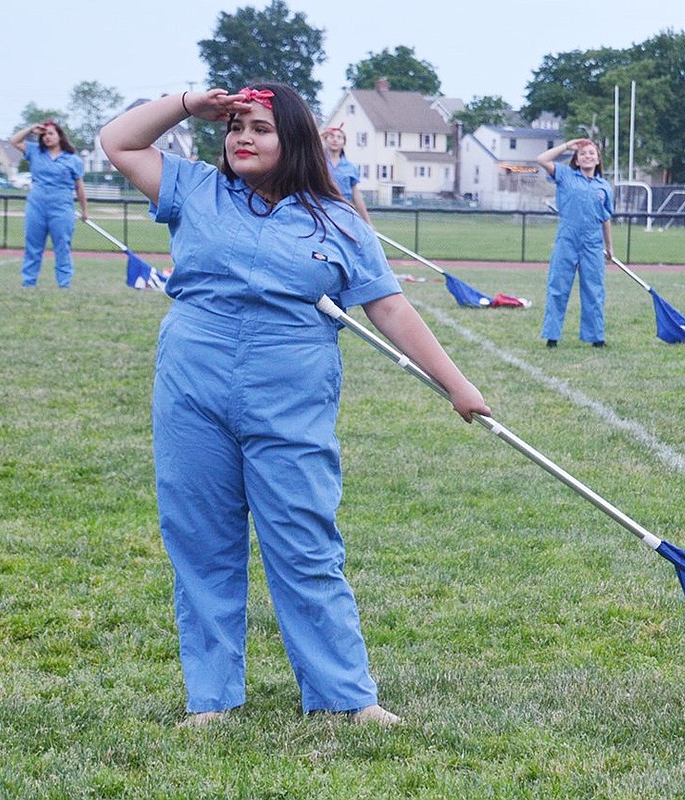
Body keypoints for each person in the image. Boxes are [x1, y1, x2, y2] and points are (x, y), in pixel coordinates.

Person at [100, 82, 490, 728]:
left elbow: (389, 307)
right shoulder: (195, 189)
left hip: (290, 397)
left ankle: (343, 694)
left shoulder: (338, 222)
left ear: (296, 140)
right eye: (235, 127)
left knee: (305, 541)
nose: (242, 138)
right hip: (192, 386)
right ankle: (212, 698)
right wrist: (189, 104)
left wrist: (456, 383)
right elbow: (118, 141)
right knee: (201, 539)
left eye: (260, 127)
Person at [536, 138, 614, 348]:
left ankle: (596, 337)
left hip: (593, 244)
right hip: (567, 241)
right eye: (582, 154)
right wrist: (568, 146)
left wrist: (609, 247)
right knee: (558, 288)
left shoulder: (604, 187)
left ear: (598, 159)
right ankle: (552, 336)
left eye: (591, 153)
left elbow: (606, 218)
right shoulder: (565, 176)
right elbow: (541, 159)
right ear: (577, 160)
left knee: (594, 291)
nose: (587, 156)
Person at [9, 120, 88, 287]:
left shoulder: (73, 160)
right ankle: (29, 282)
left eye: (51, 133)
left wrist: (84, 210)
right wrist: (31, 129)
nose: (47, 137)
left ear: (60, 136)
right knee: (33, 246)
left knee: (62, 246)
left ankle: (64, 283)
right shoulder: (35, 151)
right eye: (44, 135)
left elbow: (80, 187)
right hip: (36, 205)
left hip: (62, 207)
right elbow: (14, 141)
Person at [319, 124, 371, 224]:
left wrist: (368, 222)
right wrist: (320, 136)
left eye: (339, 137)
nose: (335, 140)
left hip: (343, 214)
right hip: (323, 212)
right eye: (332, 136)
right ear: (326, 140)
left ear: (344, 143)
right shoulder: (318, 163)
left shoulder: (350, 168)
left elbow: (356, 196)